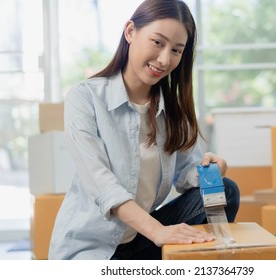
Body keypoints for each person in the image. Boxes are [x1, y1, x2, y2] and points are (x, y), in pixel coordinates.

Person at [48, 0, 240, 260]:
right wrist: (159, 232)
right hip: (91, 250)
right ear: (130, 32)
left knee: (225, 190)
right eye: (158, 42)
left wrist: (209, 171)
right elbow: (103, 186)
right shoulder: (86, 98)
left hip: (141, 242)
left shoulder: (173, 111)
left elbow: (186, 174)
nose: (164, 59)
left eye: (176, 50)